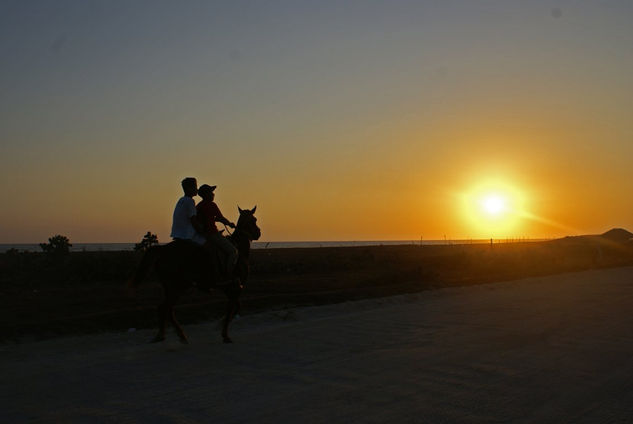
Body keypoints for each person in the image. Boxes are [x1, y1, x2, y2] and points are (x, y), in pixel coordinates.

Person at [196, 184, 238, 280]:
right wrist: (230, 224)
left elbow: (205, 219)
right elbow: (220, 218)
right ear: (206, 194)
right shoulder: (212, 205)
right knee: (233, 251)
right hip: (212, 233)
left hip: (202, 235)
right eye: (211, 192)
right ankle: (228, 275)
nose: (213, 194)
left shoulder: (199, 206)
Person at [170, 177, 205, 245]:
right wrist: (202, 230)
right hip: (186, 235)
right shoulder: (190, 201)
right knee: (208, 245)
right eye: (195, 187)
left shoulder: (181, 200)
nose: (196, 189)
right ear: (189, 189)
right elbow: (193, 221)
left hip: (177, 234)